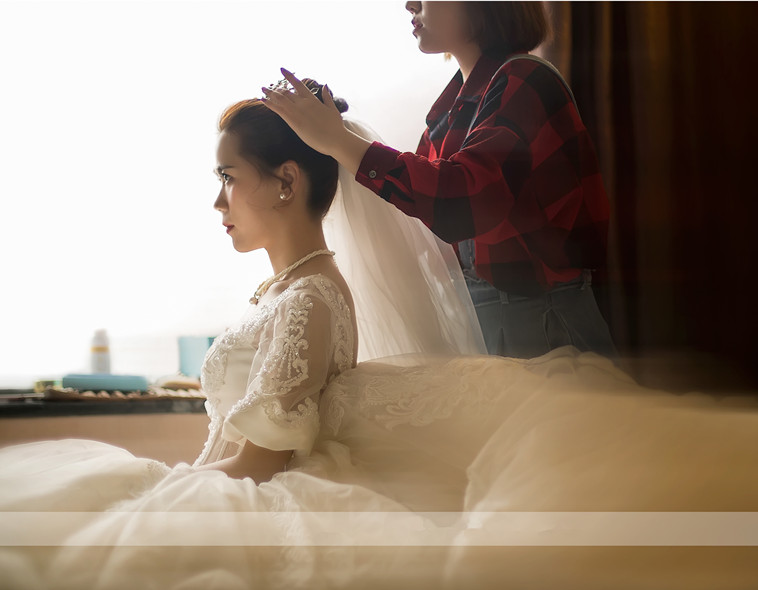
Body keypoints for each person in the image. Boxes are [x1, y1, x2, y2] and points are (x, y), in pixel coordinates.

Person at [1, 80, 757, 590]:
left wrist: (168, 488)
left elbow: (263, 458)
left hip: (260, 485)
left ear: (287, 181)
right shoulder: (292, 290)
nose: (217, 201)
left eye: (228, 177)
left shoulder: (309, 299)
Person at [260, 1, 617, 360]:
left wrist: (340, 141)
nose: (410, 4)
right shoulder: (451, 110)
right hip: (486, 320)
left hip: (543, 325)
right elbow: (420, 225)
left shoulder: (526, 80)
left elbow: (462, 201)